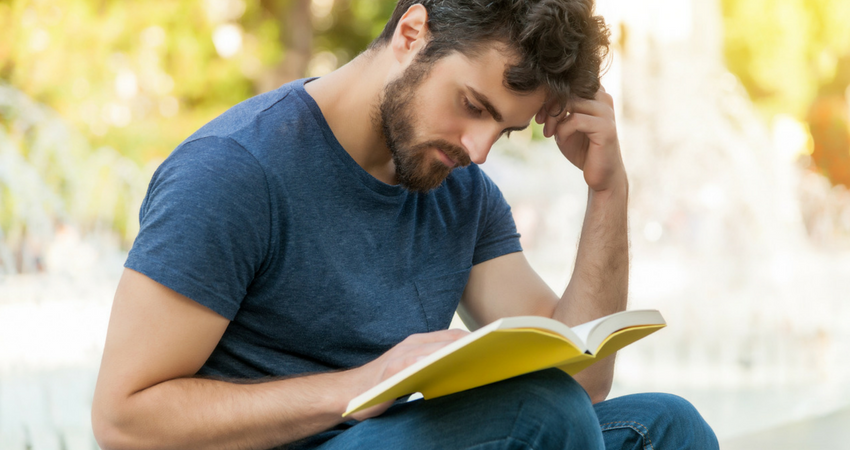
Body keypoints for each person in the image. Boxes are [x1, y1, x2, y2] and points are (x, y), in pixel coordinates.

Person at [92, 0, 719, 449]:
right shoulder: (235, 170)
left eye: (503, 128)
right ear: (413, 32)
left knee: (669, 425)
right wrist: (363, 386)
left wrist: (607, 190)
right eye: (473, 107)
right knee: (536, 409)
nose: (479, 150)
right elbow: (123, 421)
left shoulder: (458, 187)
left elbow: (582, 380)